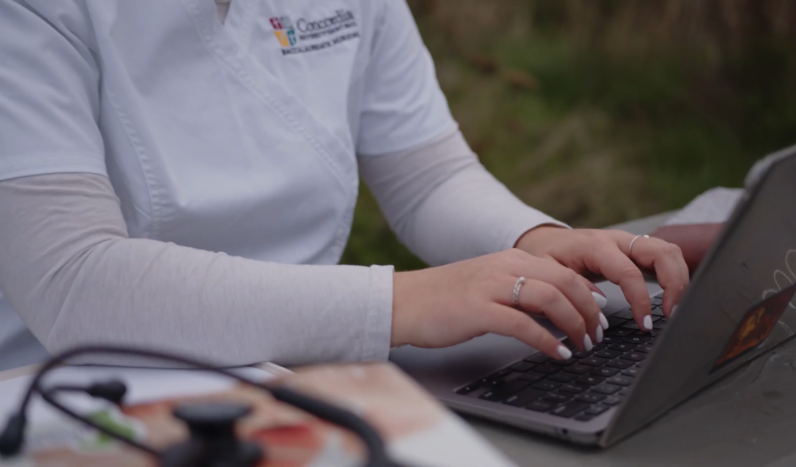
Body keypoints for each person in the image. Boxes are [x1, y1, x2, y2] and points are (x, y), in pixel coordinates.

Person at [0, 0, 689, 370]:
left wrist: (531, 242)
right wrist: (402, 301)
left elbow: (429, 177)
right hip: (65, 394)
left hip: (307, 364)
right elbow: (73, 281)